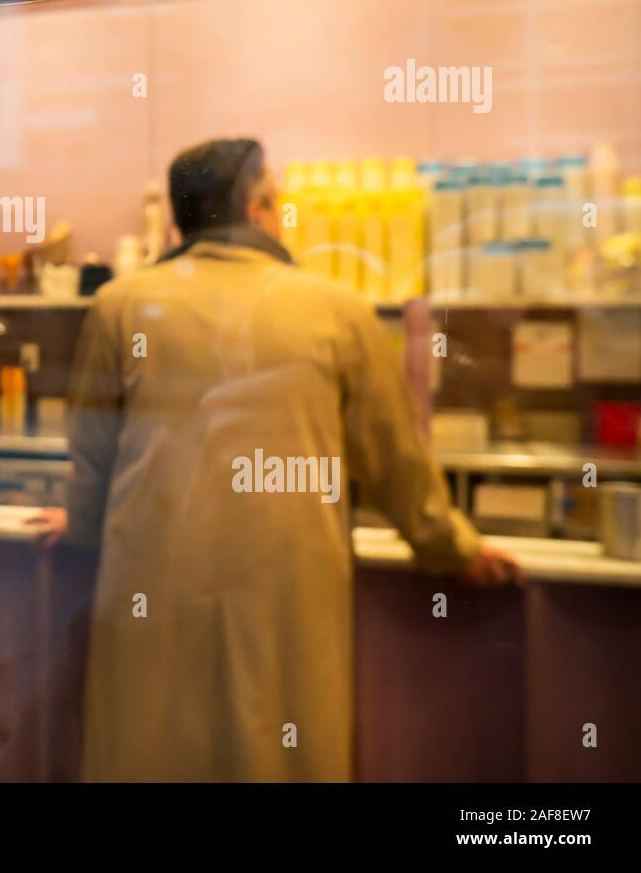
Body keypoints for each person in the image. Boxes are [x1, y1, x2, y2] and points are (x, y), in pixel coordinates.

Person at [65, 137, 522, 782]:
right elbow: (395, 464)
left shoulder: (120, 306)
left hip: (149, 587)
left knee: (147, 749)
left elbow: (91, 453)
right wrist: (453, 548)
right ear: (258, 210)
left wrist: (78, 529)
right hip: (284, 594)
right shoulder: (338, 311)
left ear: (180, 218)